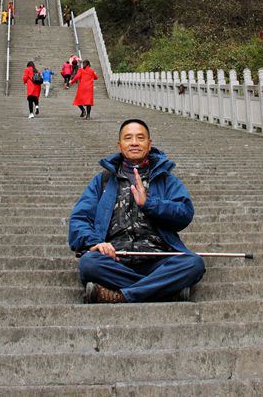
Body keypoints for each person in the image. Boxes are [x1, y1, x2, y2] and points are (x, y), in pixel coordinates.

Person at [69, 119, 205, 303]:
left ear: (149, 144)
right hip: (115, 260)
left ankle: (121, 295)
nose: (134, 142)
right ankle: (163, 289)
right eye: (128, 138)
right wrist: (95, 243)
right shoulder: (103, 181)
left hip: (158, 259)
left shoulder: (166, 179)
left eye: (140, 138)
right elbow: (80, 218)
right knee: (89, 264)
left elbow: (184, 213)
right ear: (120, 145)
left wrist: (149, 203)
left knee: (193, 264)